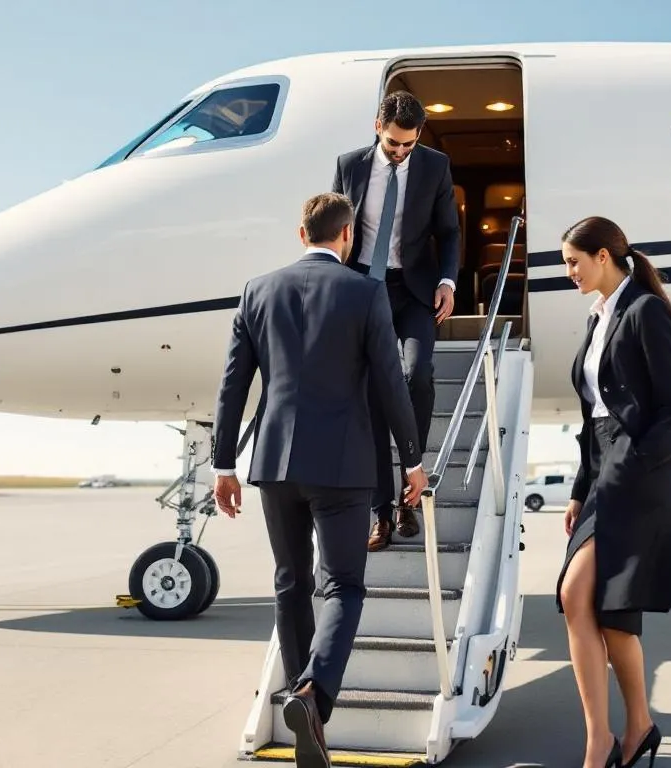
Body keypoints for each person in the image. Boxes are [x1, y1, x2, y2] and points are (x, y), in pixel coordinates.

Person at [211, 192, 429, 768]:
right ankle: (313, 693)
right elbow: (390, 381)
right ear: (348, 236)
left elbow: (234, 384)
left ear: (299, 232)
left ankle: (301, 702)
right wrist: (412, 459)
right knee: (344, 587)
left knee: (290, 582)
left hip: (275, 463)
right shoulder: (365, 291)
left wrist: (223, 465)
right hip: (343, 465)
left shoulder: (258, 290)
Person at [554, 215, 671, 768]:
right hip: (602, 470)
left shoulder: (645, 312)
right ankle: (634, 727)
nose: (568, 272)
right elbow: (593, 418)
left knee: (580, 594)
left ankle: (603, 740)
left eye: (574, 261)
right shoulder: (599, 318)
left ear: (604, 257)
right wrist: (577, 490)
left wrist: (631, 468)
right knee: (603, 609)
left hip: (635, 473)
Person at [330, 89, 461, 551]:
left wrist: (448, 281)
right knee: (367, 400)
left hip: (416, 290)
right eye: (393, 144)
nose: (401, 152)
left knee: (416, 375)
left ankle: (411, 484)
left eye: (409, 143)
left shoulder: (434, 166)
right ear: (377, 128)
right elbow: (336, 230)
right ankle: (379, 514)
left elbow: (448, 231)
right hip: (363, 287)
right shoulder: (349, 166)